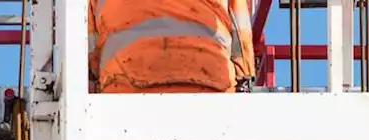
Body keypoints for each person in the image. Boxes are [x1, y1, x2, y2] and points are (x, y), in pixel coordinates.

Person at [89, 0, 256, 94]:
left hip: (125, 90)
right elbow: (241, 33)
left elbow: (85, 49)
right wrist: (244, 79)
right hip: (211, 85)